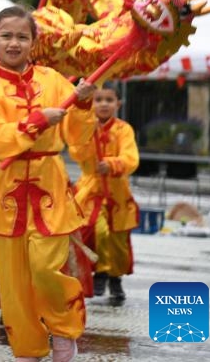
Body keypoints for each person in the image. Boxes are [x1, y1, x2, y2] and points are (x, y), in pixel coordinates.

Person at [0, 5, 95, 362]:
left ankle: (62, 327)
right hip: (6, 193)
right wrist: (37, 121)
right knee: (13, 285)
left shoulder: (54, 81)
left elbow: (76, 136)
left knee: (45, 268)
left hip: (50, 189)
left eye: (22, 37)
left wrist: (83, 106)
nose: (14, 43)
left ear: (34, 41)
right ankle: (27, 348)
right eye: (6, 36)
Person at [69, 82, 139, 305]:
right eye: (98, 100)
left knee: (118, 239)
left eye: (109, 100)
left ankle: (115, 278)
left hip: (117, 192)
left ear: (118, 103)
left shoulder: (124, 129)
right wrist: (87, 140)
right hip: (91, 189)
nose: (103, 104)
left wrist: (111, 164)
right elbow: (76, 151)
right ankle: (99, 272)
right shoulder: (86, 127)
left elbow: (131, 158)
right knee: (97, 231)